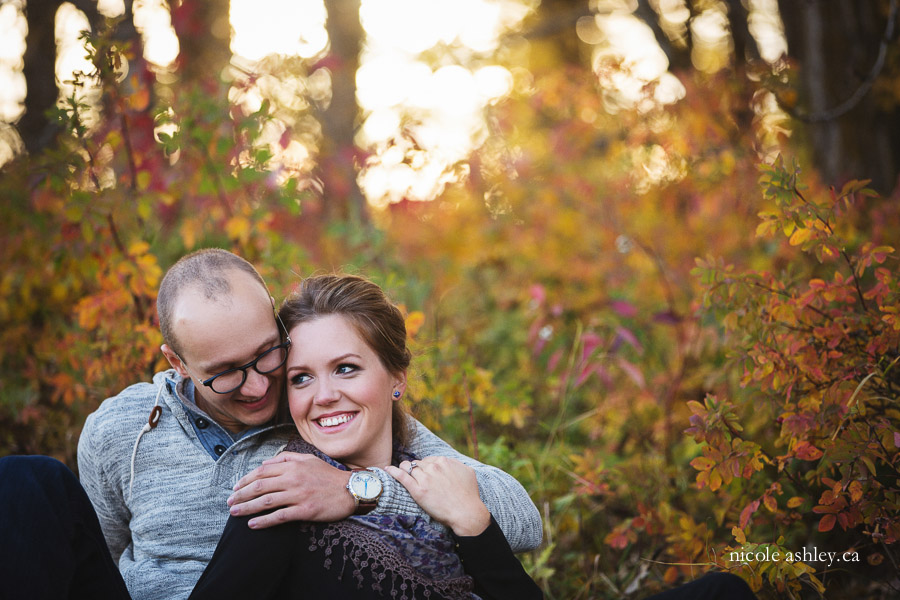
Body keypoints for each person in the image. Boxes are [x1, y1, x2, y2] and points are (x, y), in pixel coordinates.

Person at [73, 249, 542, 600]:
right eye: (225, 372)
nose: (258, 389)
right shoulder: (119, 429)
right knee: (27, 481)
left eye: (267, 357)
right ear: (177, 362)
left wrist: (355, 488)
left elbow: (510, 513)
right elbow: (98, 557)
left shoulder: (327, 421)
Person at [189, 273, 543, 599]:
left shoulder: (440, 488)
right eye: (301, 378)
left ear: (397, 379)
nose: (324, 395)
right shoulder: (282, 497)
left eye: (345, 369)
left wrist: (472, 522)